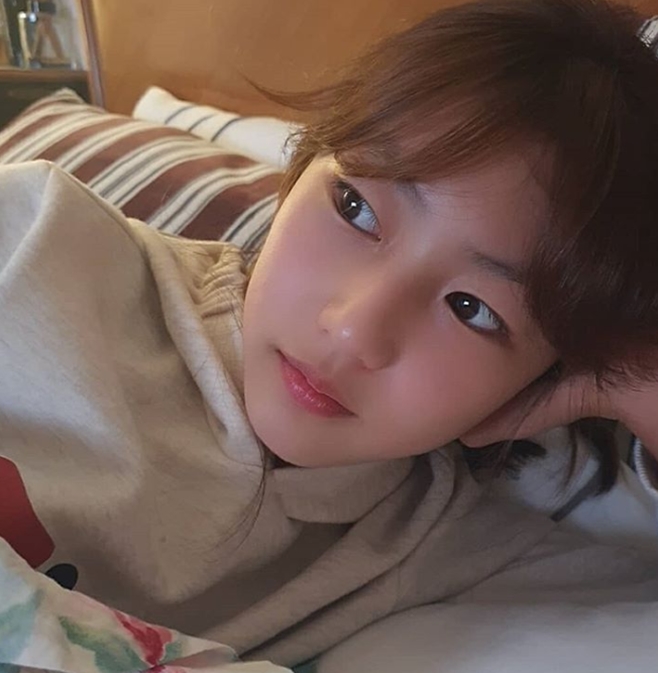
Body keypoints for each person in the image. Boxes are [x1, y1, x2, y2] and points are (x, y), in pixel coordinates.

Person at [2, 0, 658, 671]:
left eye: (473, 309)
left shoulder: (441, 543)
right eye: (355, 208)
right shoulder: (36, 235)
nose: (354, 329)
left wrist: (635, 384)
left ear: (546, 378)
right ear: (301, 167)